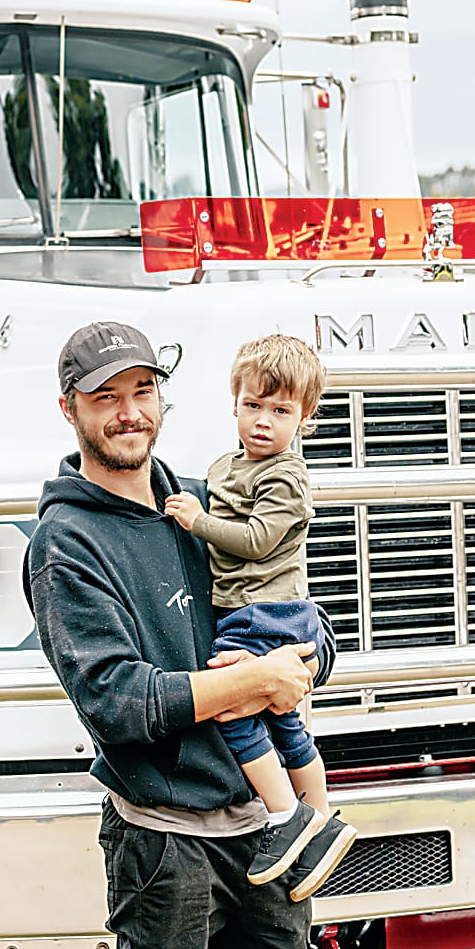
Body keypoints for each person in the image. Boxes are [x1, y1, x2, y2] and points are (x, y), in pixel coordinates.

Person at [23, 320, 328, 949]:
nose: (128, 413)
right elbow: (117, 702)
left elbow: (293, 608)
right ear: (70, 410)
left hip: (260, 825)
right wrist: (246, 684)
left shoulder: (202, 504)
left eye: (142, 391)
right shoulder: (66, 543)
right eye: (105, 399)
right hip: (163, 841)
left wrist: (304, 664)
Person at [164, 334, 357, 897]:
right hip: (245, 610)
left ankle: (285, 815)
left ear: (305, 418)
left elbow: (255, 539)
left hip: (268, 613)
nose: (264, 422)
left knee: (233, 711)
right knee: (283, 719)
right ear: (234, 404)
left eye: (281, 411)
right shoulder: (227, 467)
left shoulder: (286, 478)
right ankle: (324, 825)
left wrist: (197, 521)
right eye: (254, 406)